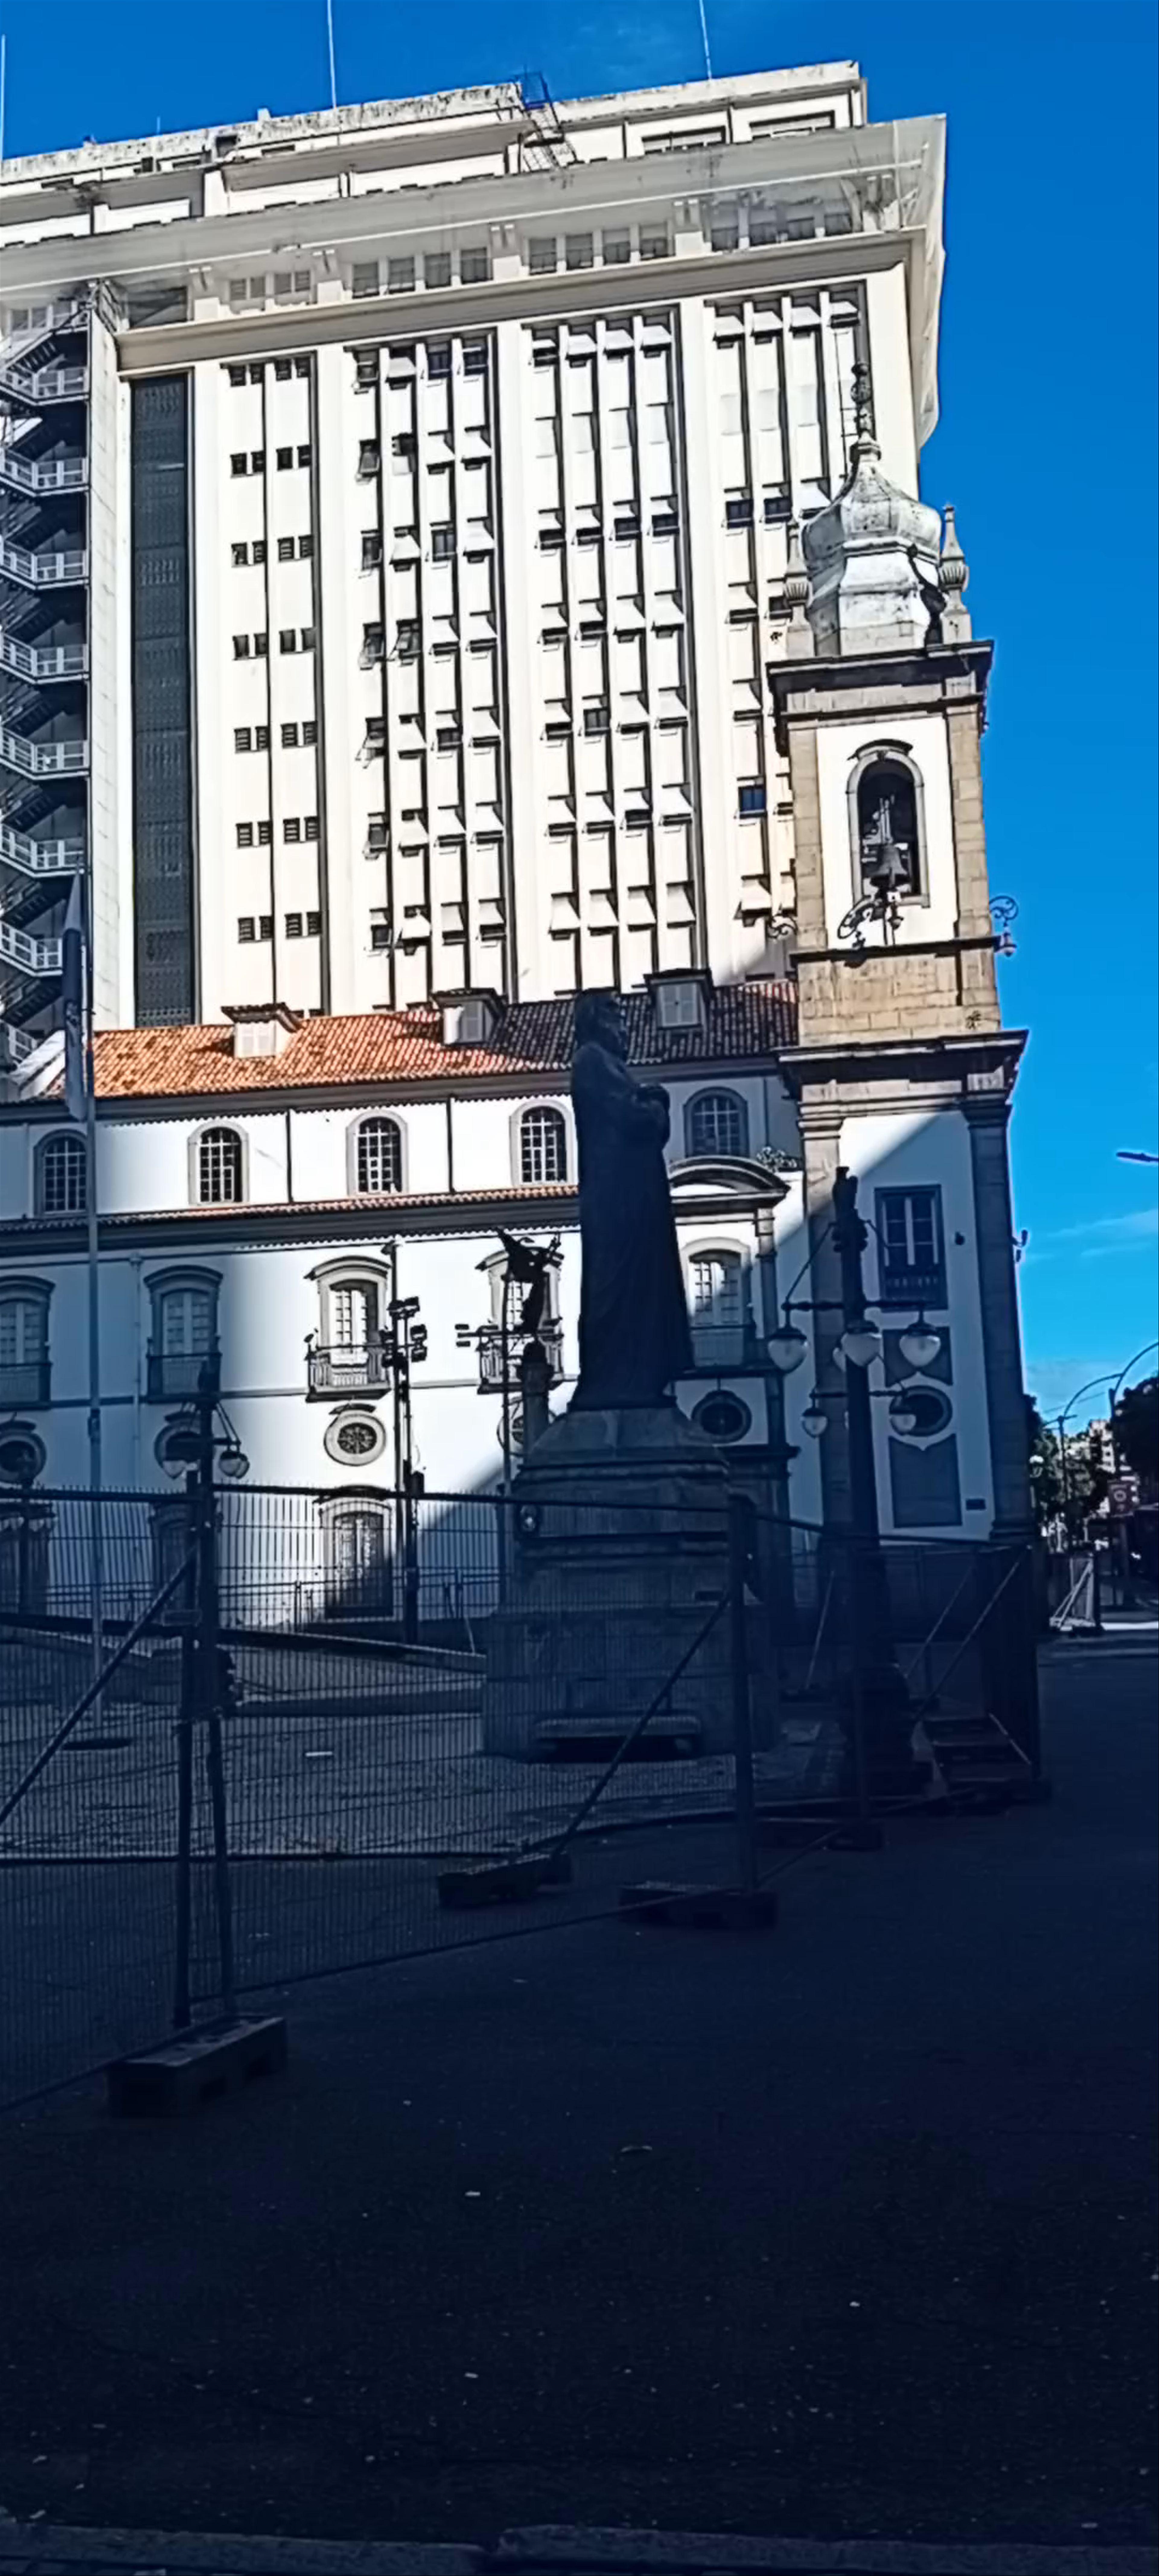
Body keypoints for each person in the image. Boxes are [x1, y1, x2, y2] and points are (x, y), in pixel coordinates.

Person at [569, 991, 693, 1409]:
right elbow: (635, 1119)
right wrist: (657, 1101)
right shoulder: (592, 1060)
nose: (622, 1025)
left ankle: (637, 1377)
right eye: (612, 1014)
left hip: (630, 1190)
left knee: (637, 1284)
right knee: (621, 1283)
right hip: (619, 1196)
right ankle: (618, 1379)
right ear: (594, 1019)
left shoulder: (606, 1063)